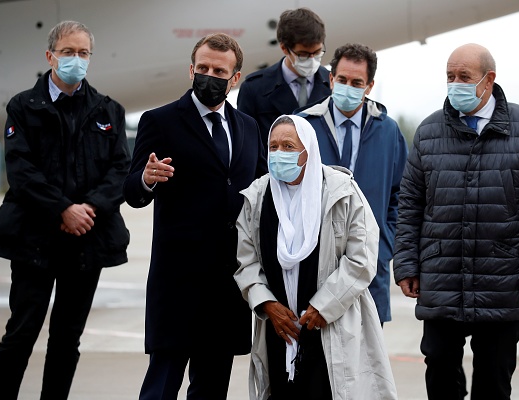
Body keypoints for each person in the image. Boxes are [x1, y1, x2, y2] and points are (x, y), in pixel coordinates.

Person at [392, 43, 519, 400]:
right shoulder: (428, 132)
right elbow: (408, 205)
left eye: (464, 77)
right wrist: (406, 263)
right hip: (441, 276)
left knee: (493, 381)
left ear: (489, 80)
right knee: (439, 369)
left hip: (503, 279)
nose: (455, 84)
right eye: (450, 77)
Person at [0, 20, 131, 400]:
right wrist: (63, 209)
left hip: (87, 241)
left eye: (84, 53)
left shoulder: (109, 110)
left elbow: (120, 170)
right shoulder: (22, 106)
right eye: (68, 52)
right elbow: (22, 172)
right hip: (34, 240)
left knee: (67, 338)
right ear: (50, 56)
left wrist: (88, 209)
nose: (76, 60)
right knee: (20, 333)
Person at [123, 33, 267, 400]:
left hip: (228, 283)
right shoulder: (160, 121)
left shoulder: (249, 128)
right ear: (191, 70)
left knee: (212, 387)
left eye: (219, 70)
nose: (209, 75)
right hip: (178, 282)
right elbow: (132, 192)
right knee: (162, 384)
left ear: (235, 78)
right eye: (202, 68)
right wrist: (146, 179)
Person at [234, 114, 398, 400]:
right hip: (278, 327)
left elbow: (362, 259)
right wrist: (267, 304)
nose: (278, 154)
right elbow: (245, 261)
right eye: (273, 147)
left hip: (330, 324)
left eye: (288, 146)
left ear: (308, 150)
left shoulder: (342, 191)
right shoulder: (258, 195)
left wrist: (324, 306)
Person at [297, 43, 408, 325]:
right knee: (315, 364)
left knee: (367, 363)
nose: (348, 87)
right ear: (331, 79)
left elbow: (400, 197)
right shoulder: (303, 126)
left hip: (369, 269)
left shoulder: (388, 131)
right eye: (342, 80)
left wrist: (383, 247)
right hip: (313, 265)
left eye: (357, 82)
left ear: (369, 86)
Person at [237, 7, 331, 145]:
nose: (312, 59)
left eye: (317, 52)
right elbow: (245, 145)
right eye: (303, 54)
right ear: (284, 48)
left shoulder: (333, 84)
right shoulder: (254, 89)